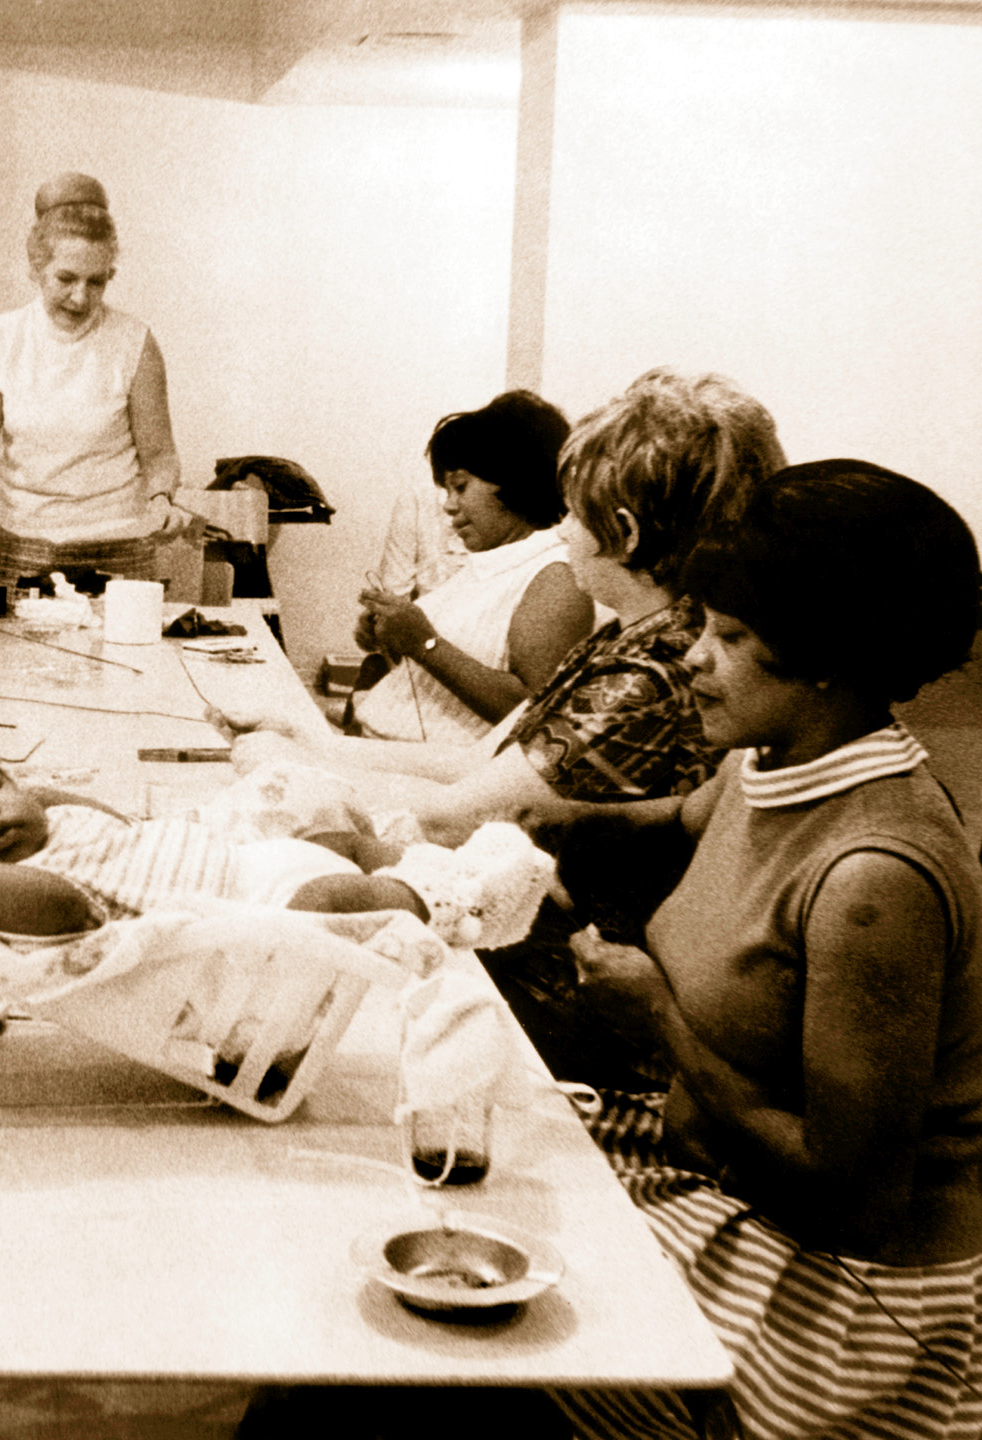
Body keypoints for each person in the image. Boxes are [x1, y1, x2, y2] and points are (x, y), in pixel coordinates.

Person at [544, 460, 982, 1438]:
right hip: (725, 1172)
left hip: (844, 1304)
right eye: (703, 623)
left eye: (731, 638)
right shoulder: (773, 758)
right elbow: (666, 823)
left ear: (828, 659)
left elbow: (855, 1199)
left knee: (462, 1350)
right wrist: (471, 832)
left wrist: (661, 1018)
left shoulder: (874, 877)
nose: (694, 657)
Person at [224, 370, 784, 843]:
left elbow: (456, 819)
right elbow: (484, 764)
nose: (563, 527)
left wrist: (291, 767)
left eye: (576, 510)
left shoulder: (646, 677)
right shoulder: (628, 638)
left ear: (624, 532)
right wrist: (312, 744)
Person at [0, 172, 191, 608]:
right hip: (24, 549)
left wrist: (161, 497)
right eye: (65, 279)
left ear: (111, 274)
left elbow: (160, 454)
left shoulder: (135, 342)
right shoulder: (0, 339)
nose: (81, 298)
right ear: (35, 269)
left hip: (119, 551)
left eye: (97, 281)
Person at [0, 714, 431, 935]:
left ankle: (423, 862)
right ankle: (443, 899)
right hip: (256, 908)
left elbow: (120, 827)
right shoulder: (16, 886)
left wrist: (37, 795)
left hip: (251, 858)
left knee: (338, 841)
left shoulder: (48, 824)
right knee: (335, 895)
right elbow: (60, 908)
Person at [352, 390, 595, 744]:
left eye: (460, 487)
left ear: (513, 480)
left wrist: (424, 644)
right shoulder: (489, 563)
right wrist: (389, 635)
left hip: (432, 776)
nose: (449, 506)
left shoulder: (554, 576)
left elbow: (536, 714)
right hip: (382, 748)